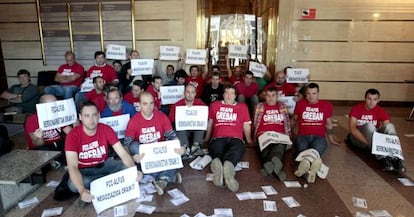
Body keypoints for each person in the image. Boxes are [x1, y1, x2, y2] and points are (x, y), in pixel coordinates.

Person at [63, 101, 141, 204]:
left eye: (94, 115)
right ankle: (106, 184)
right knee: (74, 185)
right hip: (84, 170)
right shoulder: (73, 135)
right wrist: (81, 190)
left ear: (99, 115)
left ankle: (101, 185)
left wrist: (133, 170)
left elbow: (122, 153)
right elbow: (72, 166)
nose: (91, 120)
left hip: (105, 165)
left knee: (131, 169)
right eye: (87, 116)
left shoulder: (106, 129)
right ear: (80, 117)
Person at [124, 92, 184, 195]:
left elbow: (172, 135)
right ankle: (167, 177)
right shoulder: (133, 121)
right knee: (134, 146)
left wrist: (179, 147)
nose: (149, 107)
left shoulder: (161, 116)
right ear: (139, 105)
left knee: (174, 148)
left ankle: (160, 179)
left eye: (151, 103)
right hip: (144, 157)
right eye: (145, 104)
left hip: (158, 154)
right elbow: (127, 144)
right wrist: (133, 157)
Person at [204, 85, 252, 192]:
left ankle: (227, 167)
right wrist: (207, 138)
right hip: (218, 137)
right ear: (223, 95)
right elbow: (210, 123)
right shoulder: (214, 105)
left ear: (235, 96)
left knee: (237, 149)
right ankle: (221, 168)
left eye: (232, 93)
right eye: (227, 93)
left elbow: (246, 125)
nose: (229, 96)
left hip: (236, 138)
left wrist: (249, 140)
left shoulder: (242, 107)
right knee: (216, 148)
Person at [347, 88, 405, 172]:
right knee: (369, 126)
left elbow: (387, 131)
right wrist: (372, 145)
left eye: (375, 99)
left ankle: (396, 157)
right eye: (369, 99)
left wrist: (384, 145)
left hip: (373, 138)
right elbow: (353, 130)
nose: (371, 102)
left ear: (378, 100)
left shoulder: (380, 110)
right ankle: (383, 158)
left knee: (390, 126)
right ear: (365, 99)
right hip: (357, 138)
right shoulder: (357, 109)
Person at [291, 83, 340, 183]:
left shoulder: (326, 105)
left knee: (312, 152)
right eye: (308, 94)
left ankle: (303, 170)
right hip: (303, 136)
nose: (311, 96)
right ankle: (311, 169)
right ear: (306, 94)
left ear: (318, 93)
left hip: (319, 137)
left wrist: (330, 138)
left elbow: (328, 123)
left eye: (314, 93)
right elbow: (294, 119)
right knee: (302, 149)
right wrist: (288, 134)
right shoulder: (300, 104)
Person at [253, 87, 291, 181]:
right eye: (268, 96)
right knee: (265, 149)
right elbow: (255, 122)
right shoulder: (260, 106)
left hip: (280, 135)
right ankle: (277, 169)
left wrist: (289, 138)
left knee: (279, 147)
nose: (271, 98)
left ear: (277, 96)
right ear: (265, 96)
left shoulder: (283, 107)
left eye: (273, 95)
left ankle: (270, 166)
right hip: (263, 134)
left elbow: (287, 123)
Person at [24, 94, 72, 165]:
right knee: (43, 150)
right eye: (52, 105)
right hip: (43, 148)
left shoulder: (57, 116)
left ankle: (59, 161)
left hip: (58, 145)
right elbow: (37, 144)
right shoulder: (32, 120)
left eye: (56, 103)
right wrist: (39, 138)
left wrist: (76, 124)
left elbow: (71, 133)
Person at [169, 84, 206, 158]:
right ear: (184, 93)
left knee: (201, 123)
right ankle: (185, 148)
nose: (190, 95)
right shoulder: (177, 105)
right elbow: (171, 121)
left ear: (195, 94)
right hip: (184, 131)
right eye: (188, 92)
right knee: (178, 125)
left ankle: (196, 147)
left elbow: (205, 119)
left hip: (196, 129)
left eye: (192, 92)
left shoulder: (201, 104)